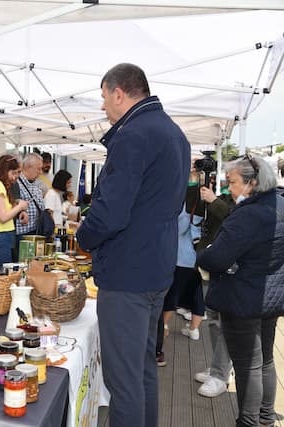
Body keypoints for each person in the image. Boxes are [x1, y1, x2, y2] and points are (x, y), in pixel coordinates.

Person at [76, 63, 190, 427]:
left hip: (128, 273)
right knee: (142, 371)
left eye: (104, 97)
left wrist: (83, 237)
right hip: (156, 269)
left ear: (119, 93)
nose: (102, 106)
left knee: (123, 382)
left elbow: (110, 213)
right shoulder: (173, 133)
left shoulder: (132, 134)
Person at [197, 154, 283, 427]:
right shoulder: (280, 204)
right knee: (265, 362)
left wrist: (204, 252)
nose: (228, 188)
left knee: (248, 366)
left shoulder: (248, 215)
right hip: (269, 297)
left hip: (243, 298)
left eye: (232, 182)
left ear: (252, 182)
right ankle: (266, 419)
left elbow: (216, 259)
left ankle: (248, 422)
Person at [188, 173, 236, 397]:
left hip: (231, 271)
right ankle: (218, 368)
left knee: (223, 323)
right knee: (215, 321)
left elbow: (229, 217)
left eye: (233, 181)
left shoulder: (244, 203)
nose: (230, 184)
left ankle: (220, 374)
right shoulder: (229, 197)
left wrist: (213, 201)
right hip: (215, 265)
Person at [155, 205, 203, 367]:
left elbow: (180, 229)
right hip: (193, 257)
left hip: (181, 256)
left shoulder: (186, 204)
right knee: (196, 293)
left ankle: (165, 326)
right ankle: (194, 329)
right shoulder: (200, 204)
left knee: (172, 294)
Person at [14, 153, 45, 241]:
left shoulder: (34, 184)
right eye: (38, 169)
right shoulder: (16, 184)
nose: (40, 172)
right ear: (28, 167)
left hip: (35, 232)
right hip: (21, 236)